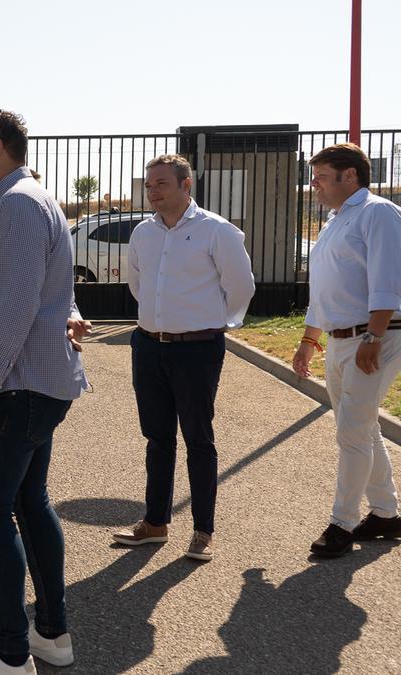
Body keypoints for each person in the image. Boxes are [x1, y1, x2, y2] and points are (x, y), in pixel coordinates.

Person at [0, 109, 89, 675]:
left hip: (20, 385)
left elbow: (19, 306)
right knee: (28, 502)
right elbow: (48, 293)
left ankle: (9, 655)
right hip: (27, 382)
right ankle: (50, 634)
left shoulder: (20, 204)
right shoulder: (18, 203)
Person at [111, 154, 255, 563]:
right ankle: (155, 524)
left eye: (161, 184)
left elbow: (241, 287)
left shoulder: (217, 231)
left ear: (186, 184)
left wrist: (210, 324)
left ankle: (203, 530)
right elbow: (137, 283)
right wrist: (161, 323)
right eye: (149, 185)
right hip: (149, 346)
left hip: (197, 350)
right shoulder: (143, 232)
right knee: (157, 438)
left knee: (198, 439)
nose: (153, 191)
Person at [293, 143, 401, 557]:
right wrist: (308, 339)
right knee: (362, 427)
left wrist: (373, 337)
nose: (314, 185)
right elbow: (323, 291)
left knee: (352, 432)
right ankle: (388, 514)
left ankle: (342, 524)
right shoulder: (335, 221)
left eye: (320, 177)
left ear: (349, 176)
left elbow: (387, 278)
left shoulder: (378, 213)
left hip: (373, 338)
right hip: (340, 340)